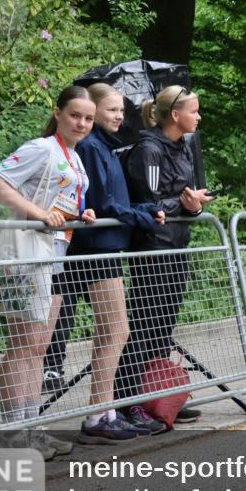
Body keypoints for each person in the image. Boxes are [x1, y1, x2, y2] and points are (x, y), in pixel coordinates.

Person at [43, 83, 167, 443]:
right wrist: (142, 217)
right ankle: (99, 414)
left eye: (122, 110)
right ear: (93, 110)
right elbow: (101, 204)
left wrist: (144, 210)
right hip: (95, 249)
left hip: (103, 247)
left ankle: (106, 410)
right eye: (112, 110)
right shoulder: (94, 149)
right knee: (113, 331)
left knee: (111, 331)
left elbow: (112, 201)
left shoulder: (105, 149)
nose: (120, 116)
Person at [0, 85, 97, 459]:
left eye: (88, 118)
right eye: (75, 115)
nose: (81, 123)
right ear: (59, 113)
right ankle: (13, 435)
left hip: (55, 252)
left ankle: (32, 430)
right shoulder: (41, 147)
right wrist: (36, 214)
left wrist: (80, 214)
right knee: (23, 344)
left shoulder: (75, 158)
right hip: (29, 253)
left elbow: (59, 202)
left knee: (38, 346)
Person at [115, 85, 214, 430]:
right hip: (152, 248)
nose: (199, 117)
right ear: (175, 115)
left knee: (163, 328)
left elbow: (184, 195)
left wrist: (196, 202)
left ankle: (161, 395)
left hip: (177, 246)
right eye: (194, 111)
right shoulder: (148, 149)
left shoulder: (184, 146)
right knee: (144, 326)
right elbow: (149, 203)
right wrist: (183, 204)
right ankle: (127, 403)